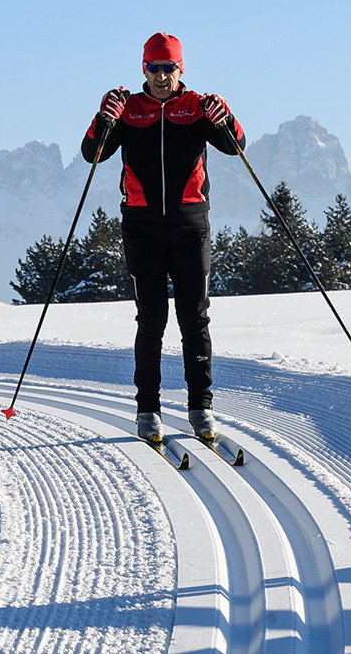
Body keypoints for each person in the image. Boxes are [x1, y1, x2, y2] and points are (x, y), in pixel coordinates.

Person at [81, 32, 246, 444]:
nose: (161, 76)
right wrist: (105, 117)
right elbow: (92, 153)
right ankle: (147, 410)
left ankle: (201, 407)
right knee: (151, 320)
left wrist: (226, 117)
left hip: (191, 227)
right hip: (142, 229)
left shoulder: (195, 107)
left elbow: (236, 146)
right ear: (144, 69)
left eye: (168, 68)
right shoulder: (129, 108)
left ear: (181, 69)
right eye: (154, 68)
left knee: (195, 318)